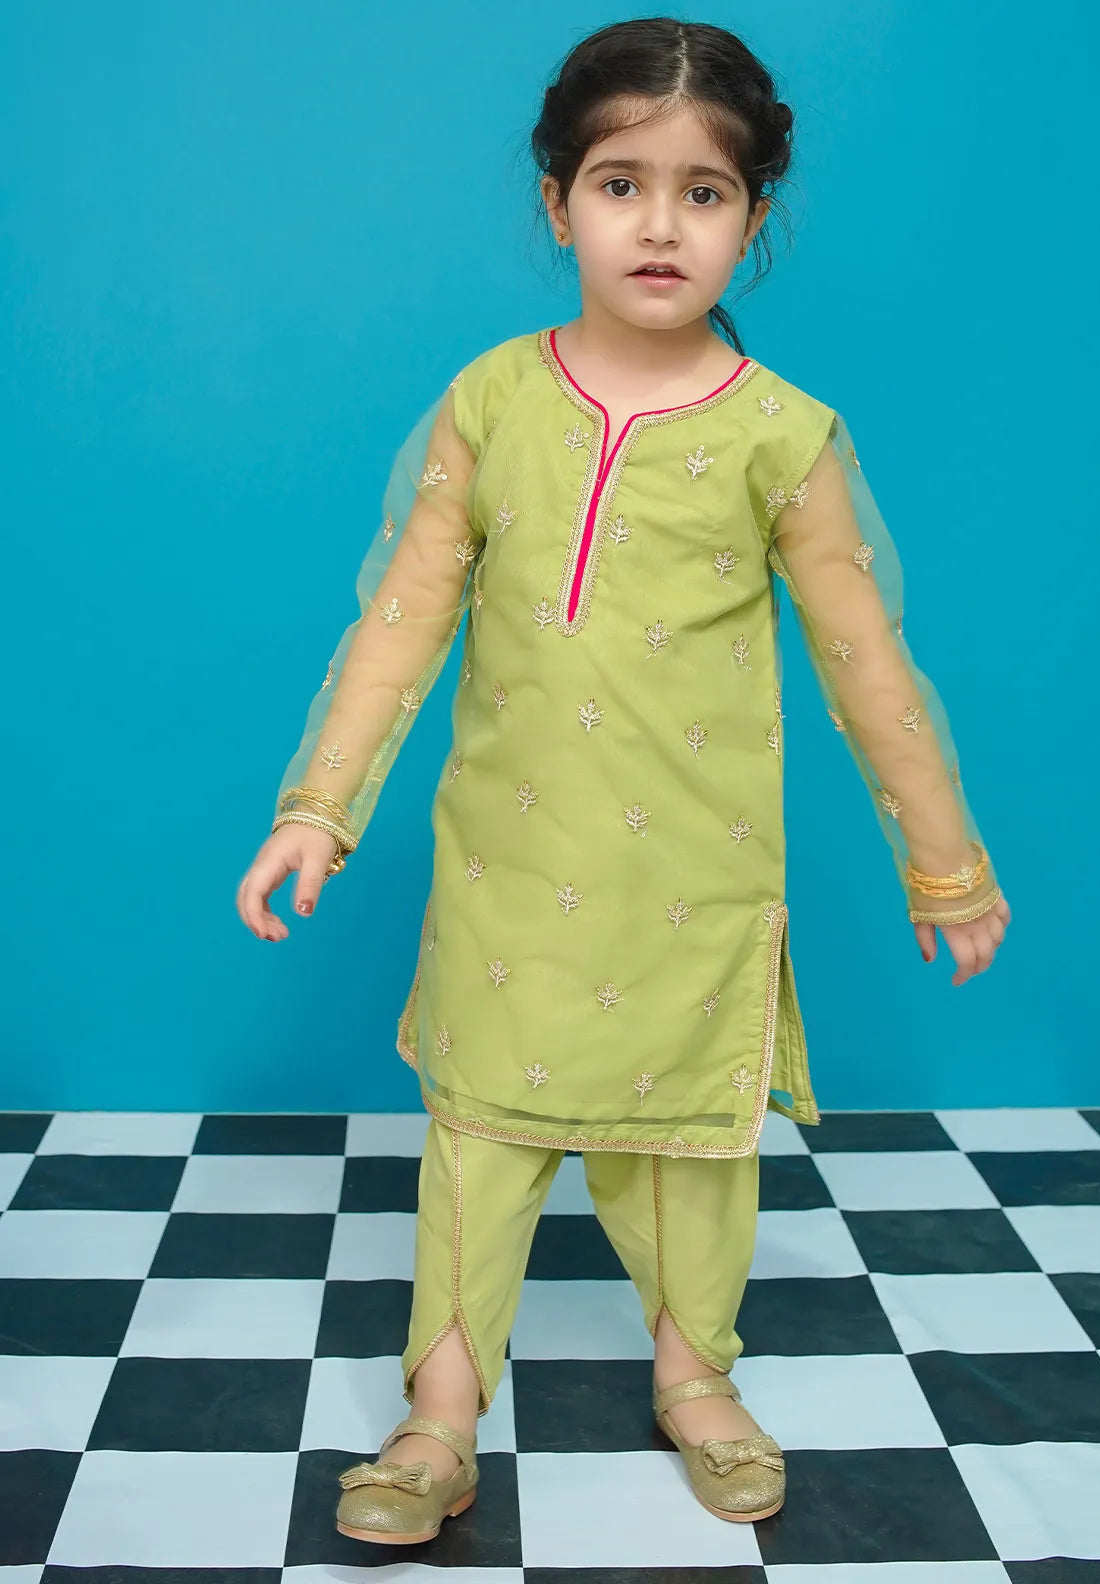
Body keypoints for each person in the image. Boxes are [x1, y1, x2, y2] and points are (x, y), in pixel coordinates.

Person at [236, 15, 1011, 1547]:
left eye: (702, 192)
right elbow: (398, 623)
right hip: (509, 869)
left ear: (752, 219)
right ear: (556, 203)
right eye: (618, 183)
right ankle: (439, 1411)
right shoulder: (491, 402)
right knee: (480, 1136)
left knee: (687, 1151)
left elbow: (868, 666)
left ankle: (694, 1376)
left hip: (690, 875)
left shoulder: (781, 437)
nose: (659, 224)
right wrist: (316, 810)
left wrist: (945, 864)